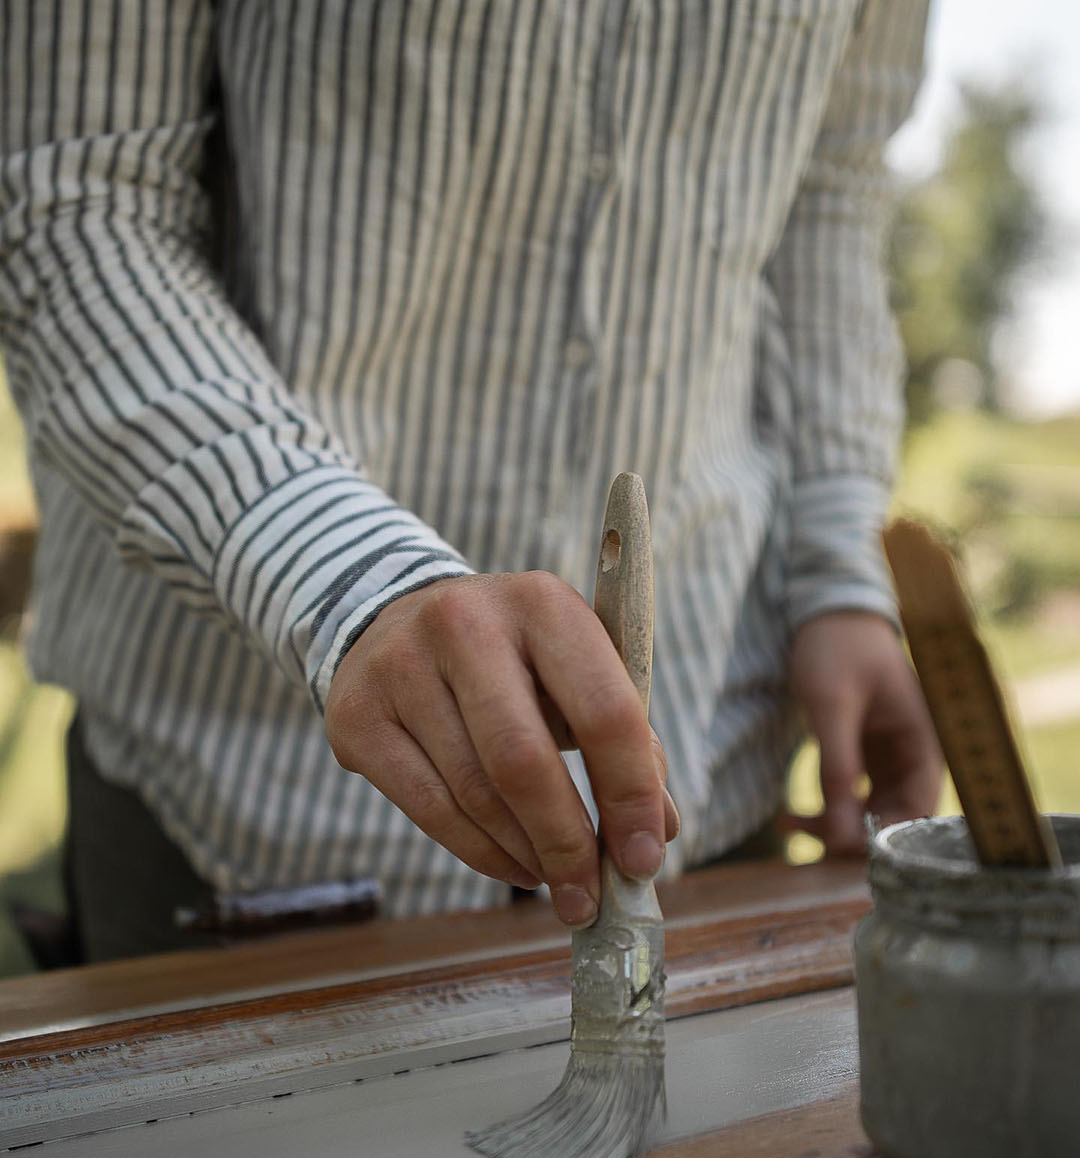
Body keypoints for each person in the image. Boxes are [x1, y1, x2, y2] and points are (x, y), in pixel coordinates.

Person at [0, 0, 940, 961]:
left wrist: (838, 569)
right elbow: (74, 204)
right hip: (232, 794)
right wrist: (353, 583)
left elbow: (831, 194)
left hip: (710, 756)